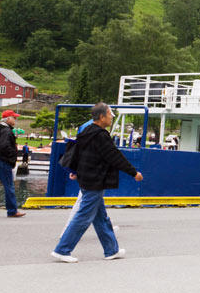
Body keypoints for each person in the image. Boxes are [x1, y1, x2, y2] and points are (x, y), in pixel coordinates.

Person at [51, 103, 143, 262]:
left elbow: (78, 154)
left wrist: (75, 172)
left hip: (87, 178)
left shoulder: (86, 131)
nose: (111, 118)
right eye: (109, 115)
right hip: (94, 180)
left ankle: (111, 250)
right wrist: (133, 172)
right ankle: (62, 250)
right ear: (101, 117)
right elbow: (114, 156)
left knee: (101, 218)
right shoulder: (101, 135)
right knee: (83, 217)